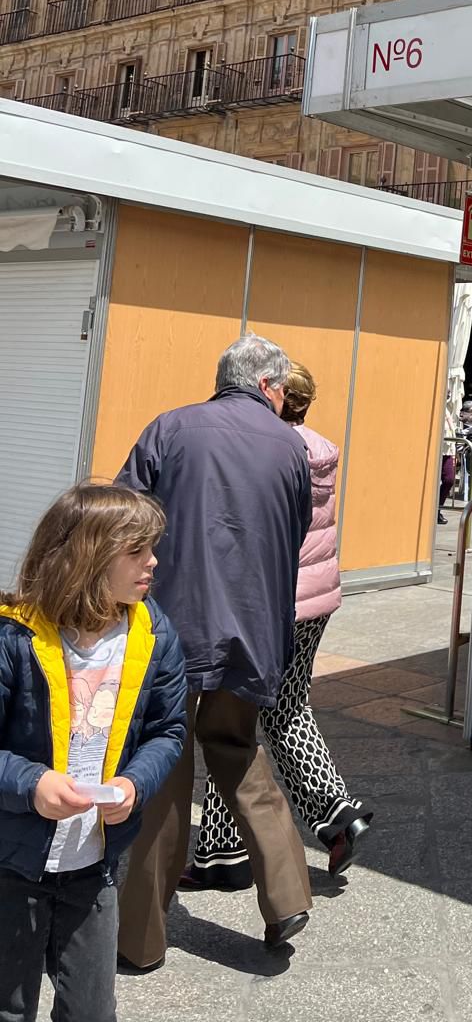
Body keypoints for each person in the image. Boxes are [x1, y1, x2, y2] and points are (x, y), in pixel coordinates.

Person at [114, 332, 314, 969]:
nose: (284, 401)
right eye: (282, 391)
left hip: (173, 624)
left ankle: (141, 939)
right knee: (234, 746)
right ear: (267, 386)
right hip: (255, 629)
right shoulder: (291, 448)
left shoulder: (171, 428)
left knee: (163, 762)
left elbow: (121, 515)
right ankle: (286, 894)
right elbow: (299, 529)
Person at [0, 483, 188, 1022]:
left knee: (90, 1010)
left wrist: (135, 785)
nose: (153, 562)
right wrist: (31, 783)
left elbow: (167, 730)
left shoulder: (154, 634)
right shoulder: (15, 637)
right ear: (87, 555)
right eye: (137, 550)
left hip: (95, 864)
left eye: (152, 548)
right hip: (11, 862)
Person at [183, 362, 372, 889]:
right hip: (316, 600)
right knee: (283, 709)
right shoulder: (319, 447)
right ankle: (326, 815)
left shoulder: (268, 448)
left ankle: (230, 849)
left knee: (235, 717)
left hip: (271, 605)